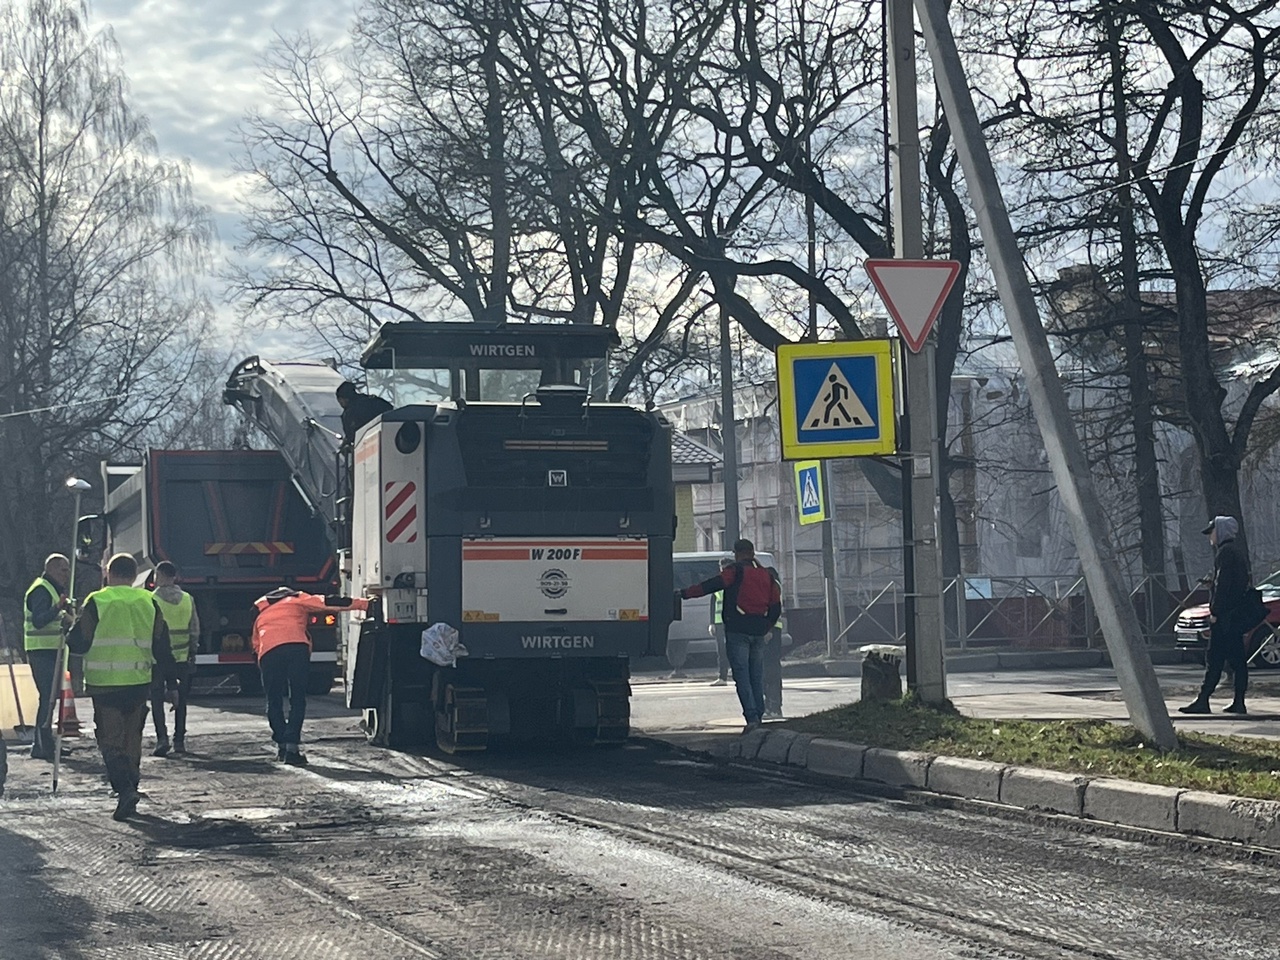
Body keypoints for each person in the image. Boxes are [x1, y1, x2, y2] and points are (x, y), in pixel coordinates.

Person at [66, 553, 177, 821]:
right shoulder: (149, 601)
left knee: (110, 741)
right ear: (133, 575)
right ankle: (132, 788)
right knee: (132, 740)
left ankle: (125, 790)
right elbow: (162, 645)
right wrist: (172, 683)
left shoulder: (98, 601)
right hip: (139, 683)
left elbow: (79, 643)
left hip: (105, 687)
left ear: (108, 572)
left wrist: (68, 626)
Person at [252, 586, 369, 765]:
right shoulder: (296, 599)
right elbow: (328, 602)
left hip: (268, 653)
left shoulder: (262, 615)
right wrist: (364, 604)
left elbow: (255, 644)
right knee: (297, 698)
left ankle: (282, 745)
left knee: (273, 699)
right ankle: (292, 747)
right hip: (296, 648)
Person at [677, 539, 782, 733]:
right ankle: (759, 714)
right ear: (752, 552)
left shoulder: (735, 572)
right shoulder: (767, 575)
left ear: (737, 553)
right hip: (758, 631)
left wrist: (684, 594)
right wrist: (766, 627)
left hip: (737, 631)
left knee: (742, 676)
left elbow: (710, 586)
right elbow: (776, 606)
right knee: (756, 676)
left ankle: (751, 718)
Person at [1181, 516, 1252, 716]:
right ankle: (1238, 702)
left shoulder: (1225, 553)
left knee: (1214, 658)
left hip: (1224, 619)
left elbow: (1224, 585)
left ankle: (1203, 700)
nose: (1209, 537)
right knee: (1238, 661)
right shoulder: (1235, 553)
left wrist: (1215, 611)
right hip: (1234, 617)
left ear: (1220, 532)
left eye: (1211, 532)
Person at [23, 554, 72, 760]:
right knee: (48, 698)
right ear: (51, 569)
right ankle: (44, 746)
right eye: (63, 569)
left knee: (51, 699)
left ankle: (43, 744)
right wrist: (58, 608)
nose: (67, 574)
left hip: (50, 651)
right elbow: (39, 621)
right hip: (41, 651)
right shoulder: (41, 589)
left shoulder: (51, 588)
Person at [149, 561, 199, 757]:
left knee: (156, 699)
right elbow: (194, 629)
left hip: (157, 659)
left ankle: (162, 738)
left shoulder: (152, 599)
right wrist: (192, 652)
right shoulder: (188, 599)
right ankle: (179, 741)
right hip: (181, 658)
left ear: (160, 576)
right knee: (181, 700)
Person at [336, 381, 393, 447]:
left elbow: (352, 437)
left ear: (342, 399)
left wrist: (346, 442)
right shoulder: (375, 401)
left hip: (366, 447)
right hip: (389, 439)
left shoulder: (349, 414)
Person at [708, 557, 733, 687]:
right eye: (721, 567)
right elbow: (713, 603)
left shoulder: (736, 581)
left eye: (725, 567)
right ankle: (722, 677)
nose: (723, 570)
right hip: (719, 623)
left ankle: (738, 675)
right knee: (721, 651)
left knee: (735, 650)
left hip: (733, 623)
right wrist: (711, 622)